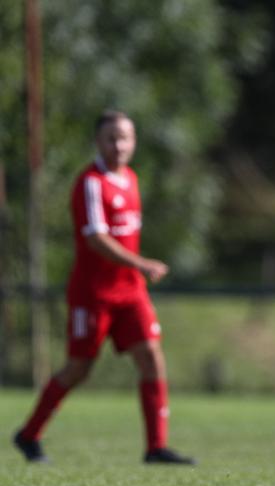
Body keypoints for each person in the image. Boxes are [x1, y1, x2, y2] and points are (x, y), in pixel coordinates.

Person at [13, 110, 194, 465]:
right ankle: (28, 434)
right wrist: (142, 263)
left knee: (152, 358)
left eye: (124, 137)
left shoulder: (131, 179)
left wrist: (136, 273)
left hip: (130, 292)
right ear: (98, 141)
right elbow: (96, 238)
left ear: (134, 141)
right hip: (93, 294)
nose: (118, 145)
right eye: (111, 138)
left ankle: (156, 447)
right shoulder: (90, 182)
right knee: (79, 368)